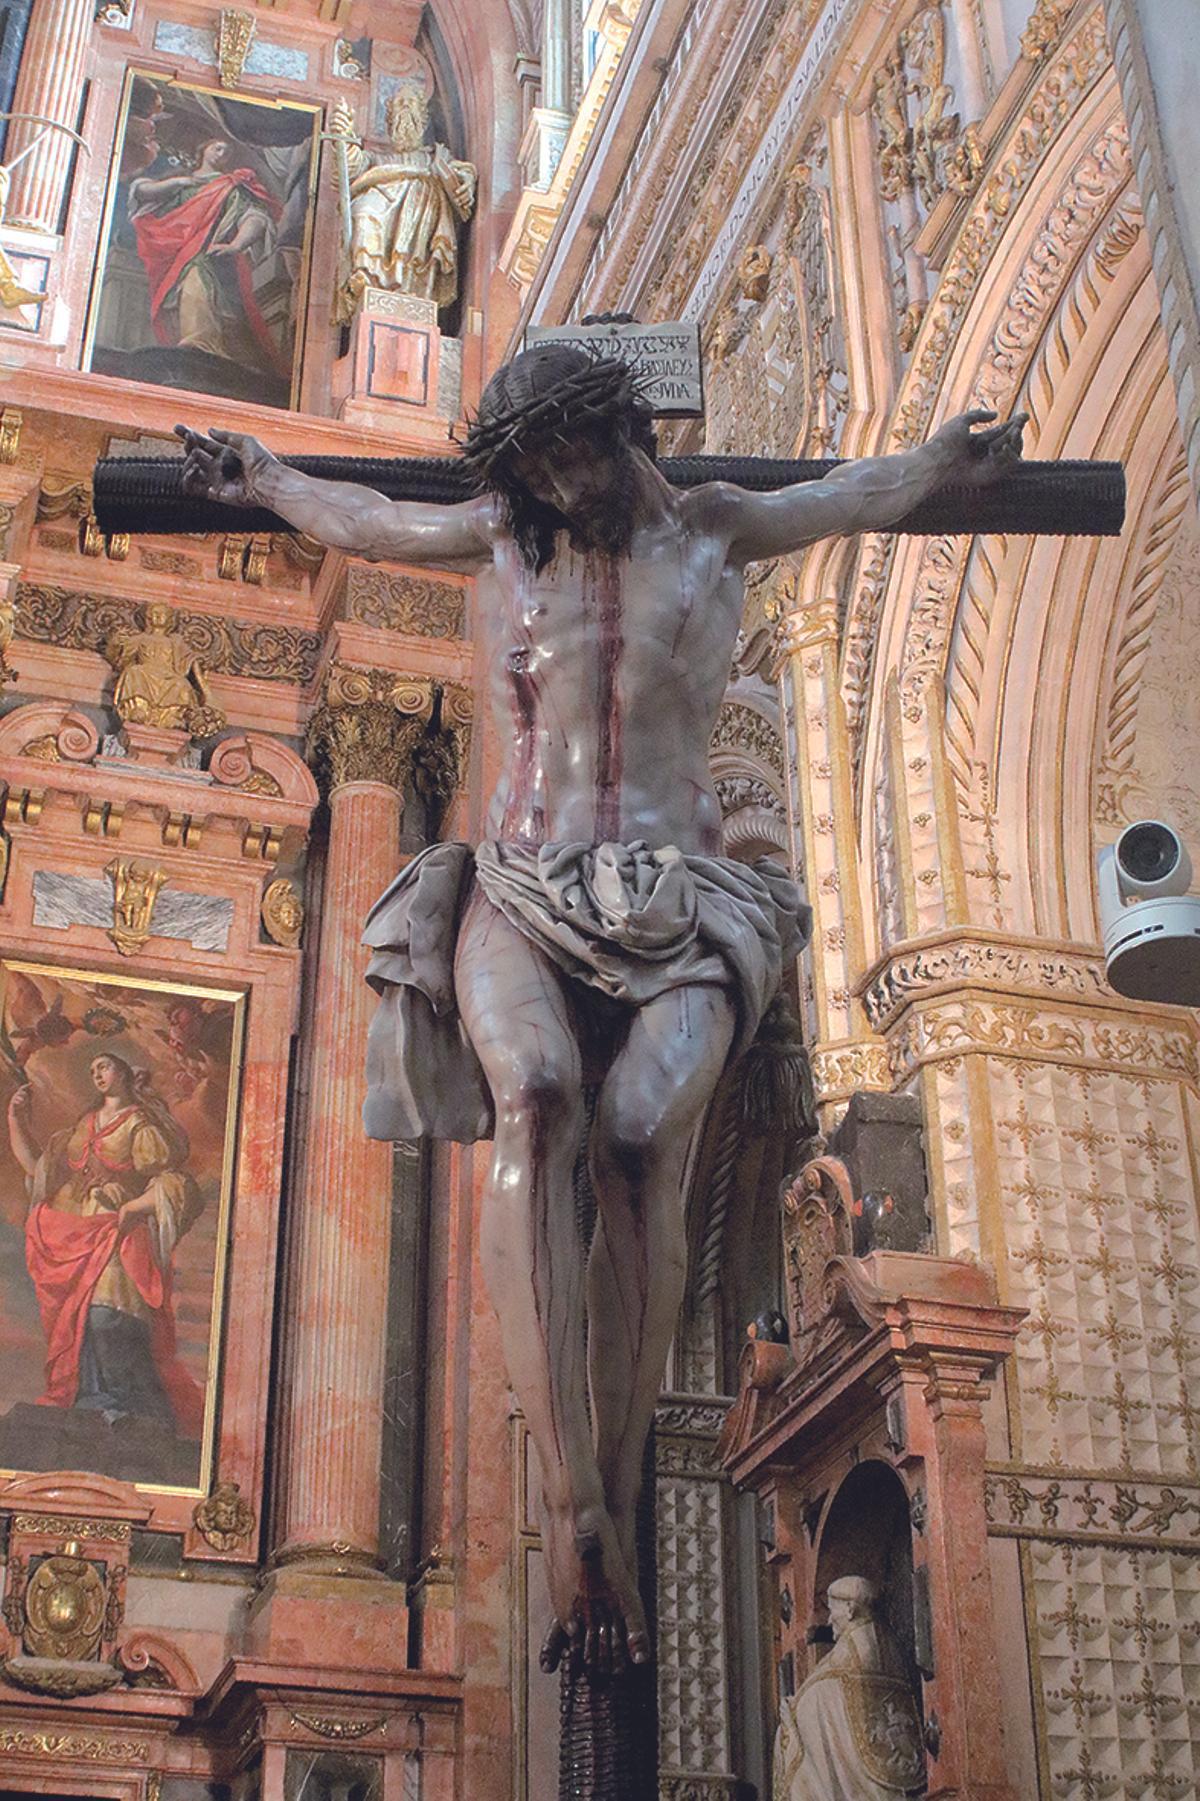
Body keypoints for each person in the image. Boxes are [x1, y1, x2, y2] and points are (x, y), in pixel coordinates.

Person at [176, 344, 1025, 1670]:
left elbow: (852, 497)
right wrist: (270, 480)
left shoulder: (715, 524)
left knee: (634, 1139)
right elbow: (376, 518)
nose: (545, 493)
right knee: (535, 1094)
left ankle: (616, 1480)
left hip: (680, 898)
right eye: (525, 475)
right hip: (518, 883)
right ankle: (579, 1503)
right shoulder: (500, 536)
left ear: (610, 435)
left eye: (558, 464)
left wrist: (935, 465)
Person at [8, 1053, 205, 1435]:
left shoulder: (139, 1123)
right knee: (77, 1325)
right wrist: (15, 1119)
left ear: (126, 1072)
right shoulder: (83, 1126)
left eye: (105, 1066)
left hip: (118, 1236)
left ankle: (127, 1406)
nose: (96, 1072)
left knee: (106, 1317)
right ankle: (92, 1405)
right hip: (74, 1237)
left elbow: (179, 1187)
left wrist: (133, 1206)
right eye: (92, 1068)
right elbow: (39, 1169)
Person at [128, 138, 283, 373]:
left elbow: (254, 217)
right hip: (174, 255)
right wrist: (177, 182)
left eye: (226, 151)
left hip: (208, 256)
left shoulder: (230, 185)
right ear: (203, 149)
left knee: (198, 282)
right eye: (216, 147)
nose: (222, 153)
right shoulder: (183, 184)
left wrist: (236, 244)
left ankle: (201, 344)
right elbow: (142, 191)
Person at [329, 83, 476, 318]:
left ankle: (414, 288)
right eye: (399, 103)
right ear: (390, 119)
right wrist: (344, 137)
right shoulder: (378, 159)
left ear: (423, 119)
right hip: (382, 205)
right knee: (363, 212)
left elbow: (460, 173)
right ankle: (367, 276)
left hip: (420, 208)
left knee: (422, 210)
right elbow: (347, 170)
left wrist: (467, 180)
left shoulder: (435, 157)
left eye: (411, 102)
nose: (405, 106)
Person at [773, 1576, 925, 1799]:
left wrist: (792, 1716)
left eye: (833, 1610)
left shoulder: (858, 1647)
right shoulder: (881, 1640)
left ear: (850, 1609)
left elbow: (826, 1696)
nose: (829, 1619)